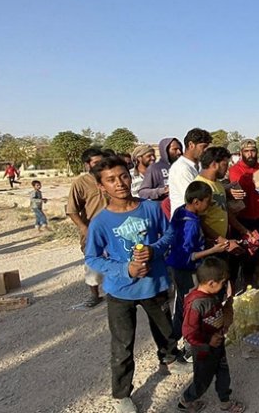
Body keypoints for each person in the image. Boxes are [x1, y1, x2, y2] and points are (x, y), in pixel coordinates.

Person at [84, 156, 190, 413]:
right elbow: (92, 257)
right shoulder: (100, 222)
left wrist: (154, 250)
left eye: (123, 176)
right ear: (101, 186)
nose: (119, 183)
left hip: (154, 285)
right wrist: (125, 269)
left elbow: (170, 234)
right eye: (111, 180)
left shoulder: (150, 209)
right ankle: (121, 394)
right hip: (121, 291)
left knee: (165, 329)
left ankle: (168, 358)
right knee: (122, 345)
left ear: (130, 177)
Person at [166, 181, 230, 356]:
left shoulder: (181, 211)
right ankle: (188, 346)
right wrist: (213, 250)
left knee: (183, 304)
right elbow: (189, 255)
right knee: (190, 308)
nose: (209, 205)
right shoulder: (192, 224)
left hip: (177, 267)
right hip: (185, 269)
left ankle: (179, 342)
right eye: (207, 202)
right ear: (196, 202)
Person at [177, 257, 245, 413]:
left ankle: (225, 402)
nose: (223, 286)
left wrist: (226, 313)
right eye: (222, 283)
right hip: (203, 350)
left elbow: (215, 315)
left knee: (223, 373)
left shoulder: (211, 296)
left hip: (218, 345)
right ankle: (186, 400)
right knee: (202, 380)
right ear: (211, 283)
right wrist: (208, 340)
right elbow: (189, 332)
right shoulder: (196, 303)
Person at [195, 147, 246, 286]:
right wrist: (224, 242)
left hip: (221, 245)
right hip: (210, 247)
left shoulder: (218, 185)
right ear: (214, 164)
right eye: (225, 164)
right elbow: (200, 221)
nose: (227, 168)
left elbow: (225, 211)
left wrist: (244, 230)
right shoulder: (200, 186)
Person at [67, 147, 109, 308]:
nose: (100, 165)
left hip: (111, 229)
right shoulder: (80, 183)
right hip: (92, 231)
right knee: (93, 263)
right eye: (96, 162)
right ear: (87, 165)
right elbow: (71, 210)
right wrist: (84, 228)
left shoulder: (108, 178)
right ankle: (94, 295)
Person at [227, 139, 259, 286]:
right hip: (242, 221)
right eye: (246, 151)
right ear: (241, 153)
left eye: (253, 151)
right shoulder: (235, 171)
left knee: (256, 258)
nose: (250, 154)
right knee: (239, 258)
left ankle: (253, 288)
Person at [169, 129, 212, 218]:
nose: (205, 151)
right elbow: (194, 197)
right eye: (203, 147)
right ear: (191, 145)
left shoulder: (199, 166)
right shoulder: (181, 168)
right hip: (185, 222)